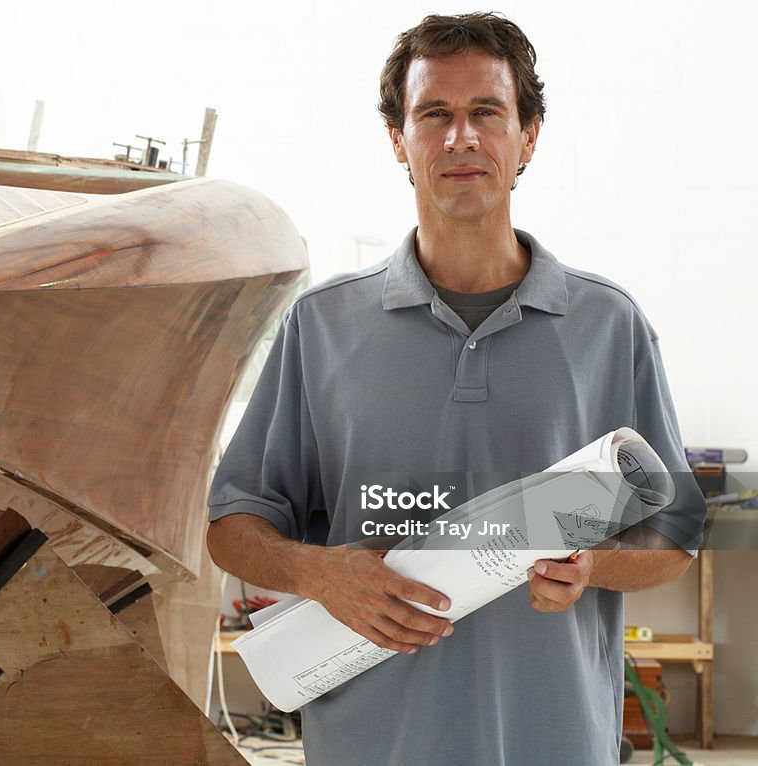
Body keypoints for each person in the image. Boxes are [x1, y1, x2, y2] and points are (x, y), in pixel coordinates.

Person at [206, 11, 705, 766]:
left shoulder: (609, 325)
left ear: (528, 135)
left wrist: (591, 570)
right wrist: (318, 571)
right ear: (398, 138)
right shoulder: (322, 326)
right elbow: (231, 523)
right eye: (433, 114)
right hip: (372, 744)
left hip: (555, 740)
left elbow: (675, 539)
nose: (460, 137)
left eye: (486, 113)